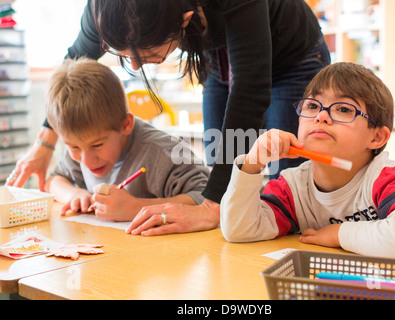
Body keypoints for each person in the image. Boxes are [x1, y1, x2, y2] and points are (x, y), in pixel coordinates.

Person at [9, 0, 330, 236]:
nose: (135, 67)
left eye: (147, 54)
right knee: (223, 174)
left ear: (185, 18)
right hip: (220, 61)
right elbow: (73, 62)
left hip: (289, 54)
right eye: (123, 55)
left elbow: (250, 89)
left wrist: (211, 208)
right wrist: (44, 143)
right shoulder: (105, 9)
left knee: (286, 181)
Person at [220, 62, 395, 261]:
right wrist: (251, 164)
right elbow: (240, 229)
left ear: (376, 137)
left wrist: (339, 234)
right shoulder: (292, 186)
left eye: (343, 109)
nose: (321, 116)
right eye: (312, 106)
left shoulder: (386, 177)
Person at [44, 58, 209, 222]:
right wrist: (74, 194)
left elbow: (207, 198)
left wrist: (136, 208)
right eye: (73, 147)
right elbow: (53, 181)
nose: (86, 161)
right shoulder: (82, 145)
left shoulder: (162, 153)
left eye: (97, 145)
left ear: (126, 125)